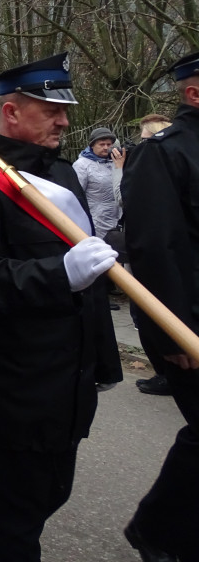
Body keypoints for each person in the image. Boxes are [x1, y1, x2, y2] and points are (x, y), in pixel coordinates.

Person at [0, 52, 122, 562]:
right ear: (11, 112)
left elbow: (88, 279)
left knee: (48, 494)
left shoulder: (60, 173)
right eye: (49, 109)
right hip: (17, 380)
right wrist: (58, 273)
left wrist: (102, 360)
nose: (64, 119)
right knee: (18, 515)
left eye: (63, 109)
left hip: (69, 375)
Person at [121, 52, 199, 562]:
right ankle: (159, 530)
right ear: (194, 92)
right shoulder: (165, 153)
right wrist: (173, 334)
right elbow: (154, 248)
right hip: (188, 323)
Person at [112, 113, 175, 396]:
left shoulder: (154, 165)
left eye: (145, 140)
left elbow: (124, 197)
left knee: (149, 310)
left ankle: (168, 372)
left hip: (154, 252)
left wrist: (121, 170)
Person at [72, 127, 119, 241]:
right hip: (96, 221)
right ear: (92, 145)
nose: (106, 148)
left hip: (118, 219)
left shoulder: (116, 161)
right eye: (102, 144)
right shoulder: (82, 165)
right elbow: (76, 195)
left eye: (109, 144)